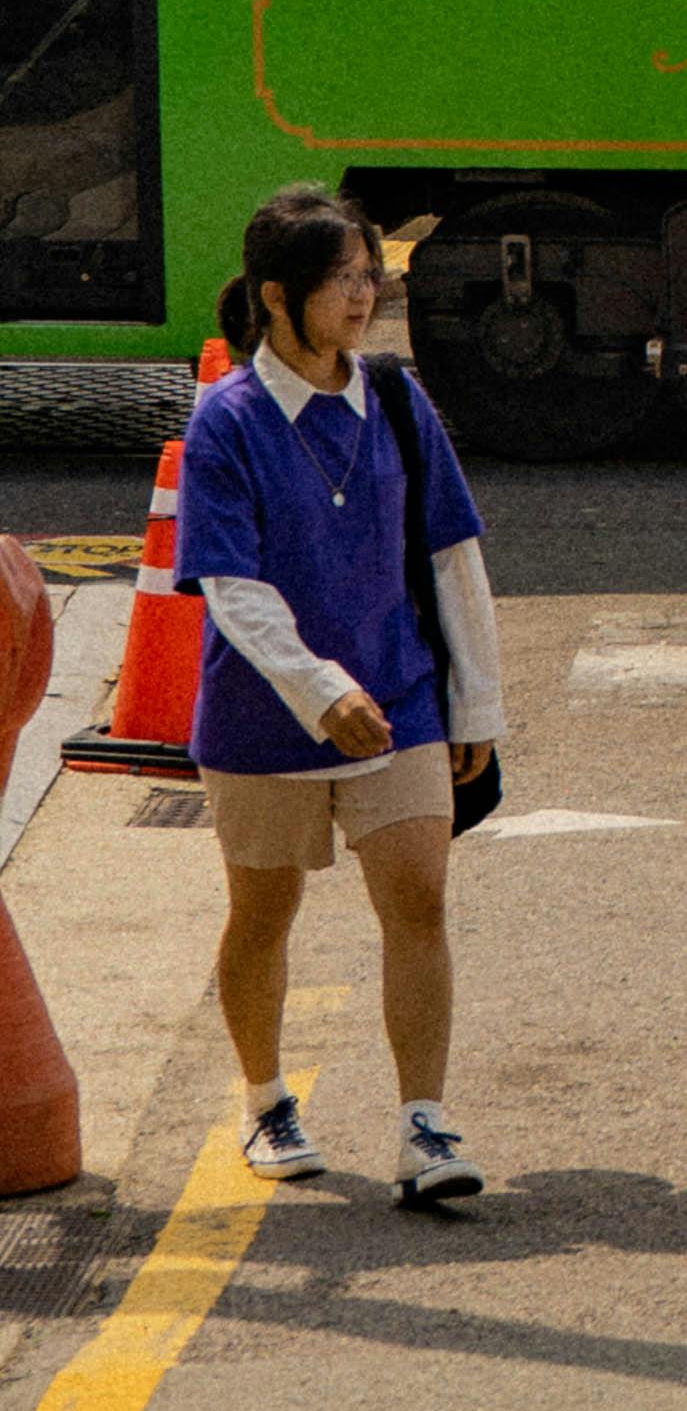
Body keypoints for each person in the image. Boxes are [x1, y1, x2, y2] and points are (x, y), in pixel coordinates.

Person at [174, 183, 504, 1207]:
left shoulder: (398, 403)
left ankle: (425, 1126)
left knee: (420, 899)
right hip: (265, 721)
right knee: (262, 915)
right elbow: (231, 587)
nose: (364, 297)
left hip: (400, 700)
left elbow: (454, 557)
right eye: (343, 280)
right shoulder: (226, 423)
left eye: (371, 276)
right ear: (279, 296)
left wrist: (477, 707)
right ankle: (265, 1097)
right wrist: (318, 692)